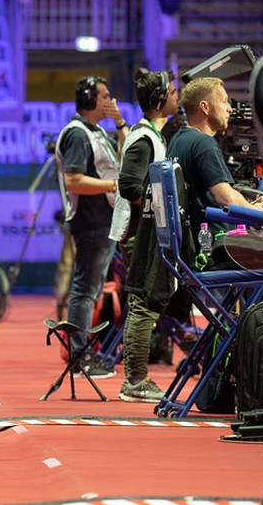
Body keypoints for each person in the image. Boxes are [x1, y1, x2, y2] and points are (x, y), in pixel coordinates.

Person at [109, 69, 184, 402]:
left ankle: (136, 377)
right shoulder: (143, 138)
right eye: (172, 90)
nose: (176, 95)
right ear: (158, 100)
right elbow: (128, 186)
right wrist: (160, 204)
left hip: (145, 229)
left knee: (146, 303)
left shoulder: (154, 133)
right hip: (138, 232)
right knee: (143, 303)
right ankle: (135, 380)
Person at [54, 75, 128, 379]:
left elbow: (125, 158)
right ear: (89, 100)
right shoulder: (77, 134)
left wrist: (121, 124)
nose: (110, 101)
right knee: (84, 292)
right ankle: (80, 357)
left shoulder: (96, 132)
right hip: (90, 221)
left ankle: (84, 353)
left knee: (91, 289)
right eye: (105, 96)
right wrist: (113, 184)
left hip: (104, 220)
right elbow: (74, 180)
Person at [166, 77, 263, 242]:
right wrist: (256, 213)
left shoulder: (177, 140)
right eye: (224, 101)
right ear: (205, 107)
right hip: (214, 247)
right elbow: (225, 198)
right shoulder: (203, 143)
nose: (230, 109)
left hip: (192, 244)